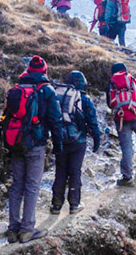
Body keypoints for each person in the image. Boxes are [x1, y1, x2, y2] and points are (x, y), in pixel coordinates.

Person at [3, 56, 63, 244]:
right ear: (45, 71)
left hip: (16, 143)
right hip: (35, 144)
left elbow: (6, 117)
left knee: (16, 186)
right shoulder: (46, 90)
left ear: (28, 70)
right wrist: (58, 144)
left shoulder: (17, 90)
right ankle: (28, 230)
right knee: (32, 186)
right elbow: (55, 119)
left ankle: (13, 229)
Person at [51, 71, 101, 215]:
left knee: (60, 172)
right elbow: (92, 121)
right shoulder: (84, 99)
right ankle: (74, 204)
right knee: (75, 171)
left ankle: (56, 205)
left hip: (60, 139)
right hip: (78, 141)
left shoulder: (58, 96)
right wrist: (96, 139)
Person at [106, 63, 136, 186]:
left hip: (121, 119)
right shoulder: (131, 79)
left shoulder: (112, 84)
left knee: (127, 147)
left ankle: (127, 177)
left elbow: (109, 103)